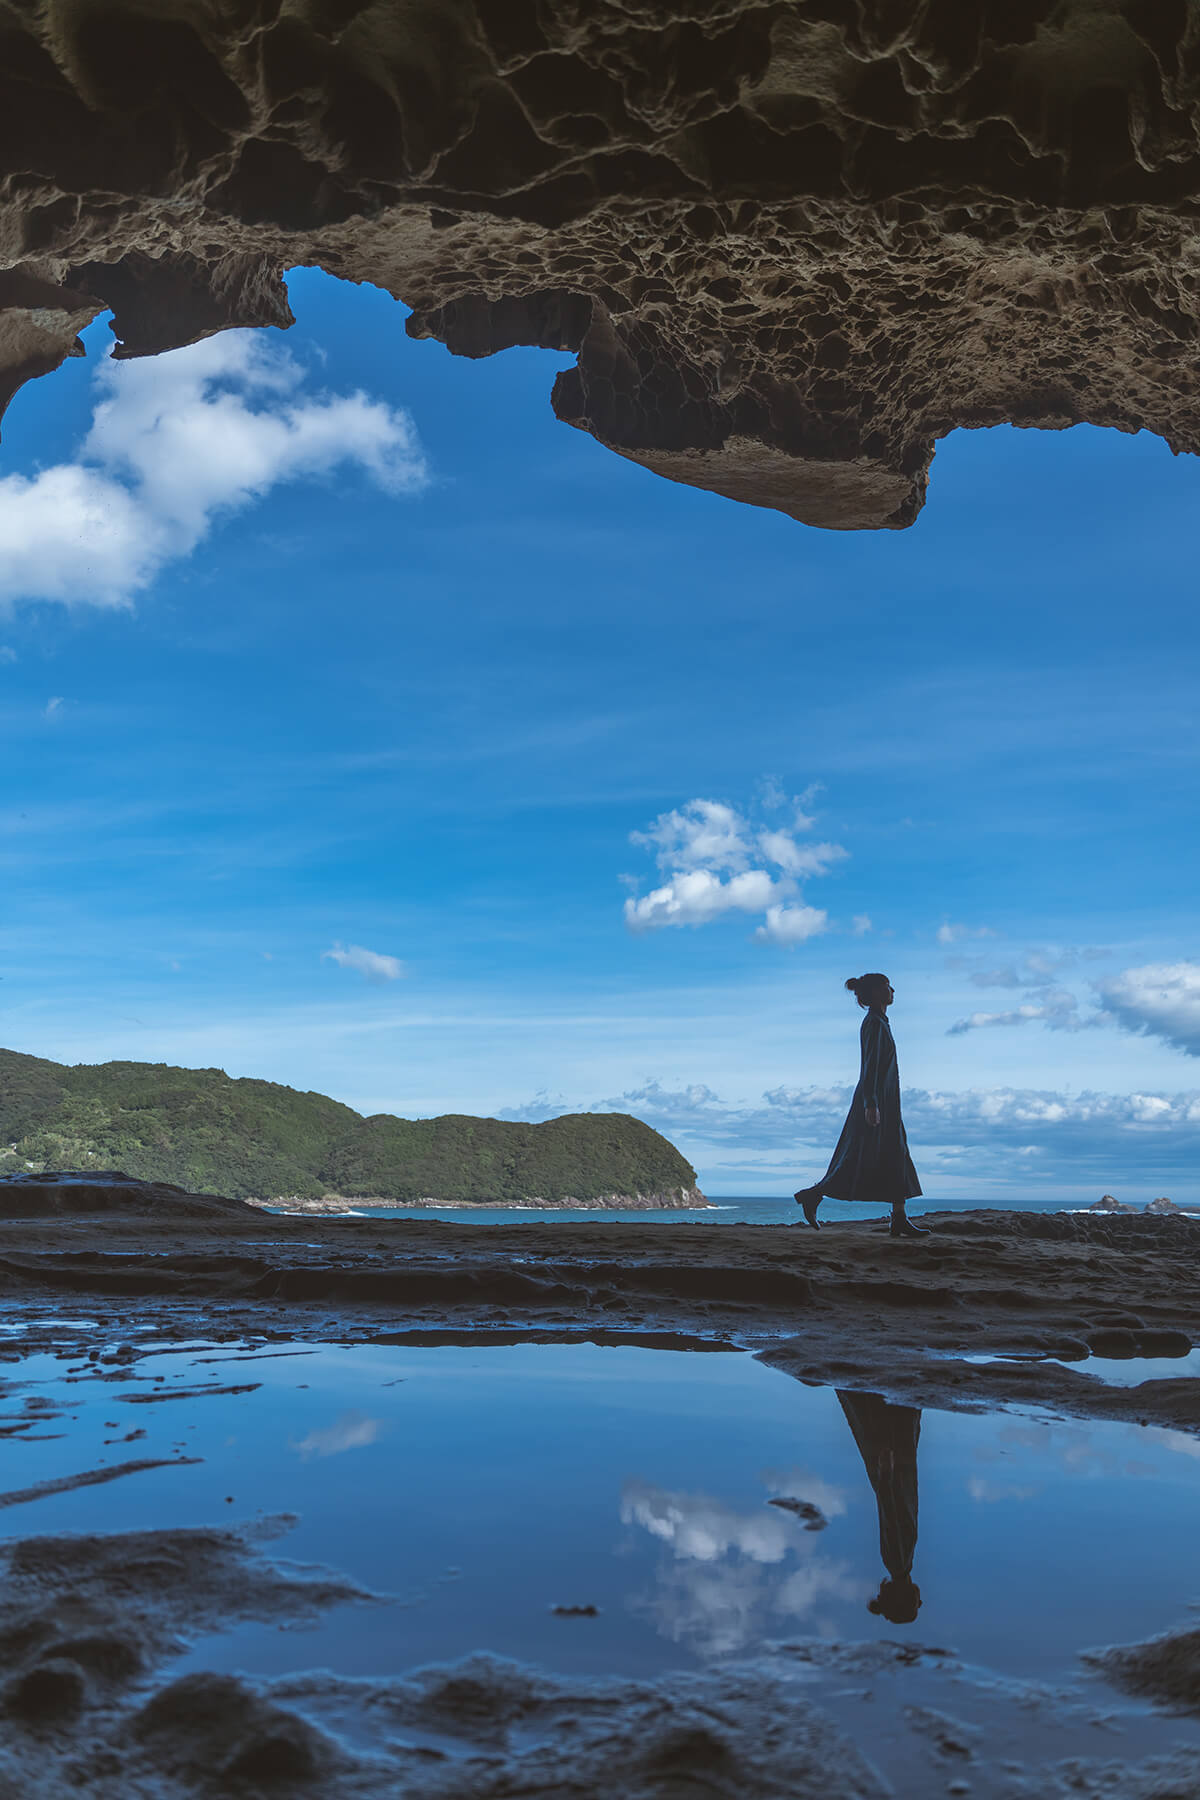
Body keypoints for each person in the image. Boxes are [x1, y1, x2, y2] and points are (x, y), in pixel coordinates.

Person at [793, 973, 928, 1237]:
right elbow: (869, 1066)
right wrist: (871, 1103)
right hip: (875, 1102)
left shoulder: (881, 1022)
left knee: (895, 1155)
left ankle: (898, 1218)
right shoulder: (874, 1024)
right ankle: (813, 1195)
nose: (894, 990)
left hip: (886, 1102)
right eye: (889, 986)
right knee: (856, 1156)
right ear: (878, 992)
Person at [837, 1390, 922, 1625]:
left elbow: (890, 1514)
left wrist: (886, 1476)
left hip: (893, 1474)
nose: (921, 1599)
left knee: (882, 1419)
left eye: (916, 1602)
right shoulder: (900, 1563)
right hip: (897, 1476)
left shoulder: (897, 1561)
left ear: (905, 1597)